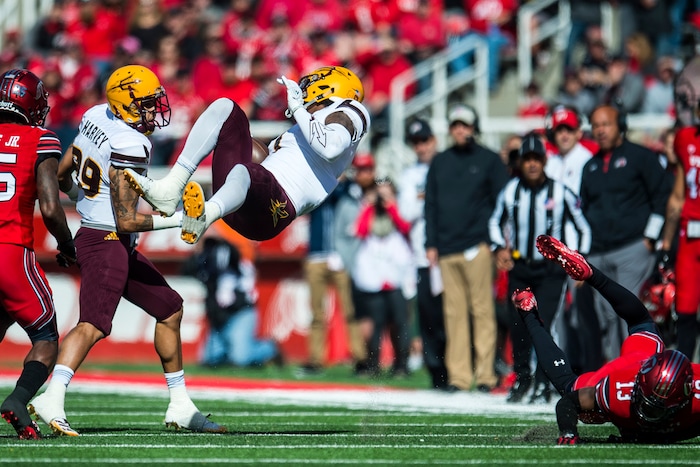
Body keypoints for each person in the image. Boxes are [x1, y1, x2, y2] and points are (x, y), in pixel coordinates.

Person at [29, 64, 226, 436]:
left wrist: (81, 199)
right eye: (148, 105)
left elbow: (62, 173)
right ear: (128, 105)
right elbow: (126, 222)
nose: (155, 111)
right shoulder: (130, 143)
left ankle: (180, 404)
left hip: (100, 234)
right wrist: (184, 220)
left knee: (169, 308)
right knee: (94, 323)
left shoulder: (94, 115)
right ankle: (51, 397)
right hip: (107, 239)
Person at [122, 65, 370, 246]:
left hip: (274, 208)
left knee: (248, 172)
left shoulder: (351, 109)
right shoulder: (301, 129)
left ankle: (204, 216)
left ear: (330, 88)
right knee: (226, 109)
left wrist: (297, 109)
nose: (304, 91)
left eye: (311, 84)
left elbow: (329, 147)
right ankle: (172, 187)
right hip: (242, 200)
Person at [513, 234, 700, 444]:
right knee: (570, 387)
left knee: (642, 323)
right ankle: (529, 313)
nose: (647, 414)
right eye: (647, 404)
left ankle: (592, 274)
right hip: (631, 366)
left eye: (654, 410)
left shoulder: (695, 397)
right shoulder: (618, 390)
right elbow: (568, 403)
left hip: (648, 359)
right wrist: (568, 433)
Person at [0, 69, 76, 440]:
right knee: (46, 337)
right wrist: (67, 244)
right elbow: (50, 207)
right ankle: (18, 400)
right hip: (10, 250)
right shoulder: (39, 138)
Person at [489, 132, 591, 404]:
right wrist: (499, 248)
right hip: (520, 266)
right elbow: (494, 222)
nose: (532, 164)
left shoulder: (560, 191)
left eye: (537, 159)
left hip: (550, 270)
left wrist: (577, 261)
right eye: (528, 159)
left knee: (544, 326)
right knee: (520, 325)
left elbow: (582, 227)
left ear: (545, 161)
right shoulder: (511, 191)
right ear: (521, 162)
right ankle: (522, 379)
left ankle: (546, 383)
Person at [424, 103, 508, 392]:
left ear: (475, 128)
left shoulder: (489, 160)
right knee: (454, 315)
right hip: (447, 247)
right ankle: (459, 377)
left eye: (466, 125)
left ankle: (485, 375)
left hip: (478, 246)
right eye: (456, 125)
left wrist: (495, 243)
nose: (460, 130)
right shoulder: (440, 162)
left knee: (482, 312)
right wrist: (431, 243)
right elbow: (431, 204)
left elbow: (502, 203)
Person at [580, 104, 671, 360]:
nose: (600, 130)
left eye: (605, 124)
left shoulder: (641, 157)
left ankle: (640, 371)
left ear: (620, 125)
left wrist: (650, 238)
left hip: (632, 248)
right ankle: (616, 373)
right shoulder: (590, 166)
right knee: (606, 316)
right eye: (596, 125)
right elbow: (584, 210)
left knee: (630, 312)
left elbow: (661, 197)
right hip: (598, 252)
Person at [397, 118, 448, 390]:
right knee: (428, 317)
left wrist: (424, 200)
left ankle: (455, 369)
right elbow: (405, 212)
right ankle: (436, 371)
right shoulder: (409, 175)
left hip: (447, 252)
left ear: (434, 141)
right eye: (416, 143)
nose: (421, 147)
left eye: (424, 141)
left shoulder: (446, 167)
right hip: (421, 255)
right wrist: (430, 201)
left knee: (449, 316)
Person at [299, 182, 367, 376]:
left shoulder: (346, 189)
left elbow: (351, 198)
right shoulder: (316, 187)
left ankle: (360, 358)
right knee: (317, 313)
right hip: (316, 255)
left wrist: (341, 180)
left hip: (340, 256)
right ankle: (316, 360)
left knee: (350, 310)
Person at [185, 237, 280, 368]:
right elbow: (186, 269)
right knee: (210, 360)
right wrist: (199, 254)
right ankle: (228, 350)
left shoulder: (223, 253)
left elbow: (229, 255)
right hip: (220, 317)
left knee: (240, 359)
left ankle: (269, 348)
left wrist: (212, 241)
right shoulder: (202, 261)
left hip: (240, 312)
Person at [352, 177, 413, 377]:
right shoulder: (368, 211)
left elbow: (405, 228)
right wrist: (370, 206)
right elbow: (360, 230)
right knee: (376, 323)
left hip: (396, 276)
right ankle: (373, 364)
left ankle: (402, 365)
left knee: (399, 321)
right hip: (374, 276)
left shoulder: (398, 210)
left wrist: (391, 206)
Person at [660, 109, 700, 361]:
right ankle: (683, 376)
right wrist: (666, 244)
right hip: (690, 234)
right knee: (684, 308)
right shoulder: (685, 138)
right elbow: (677, 195)